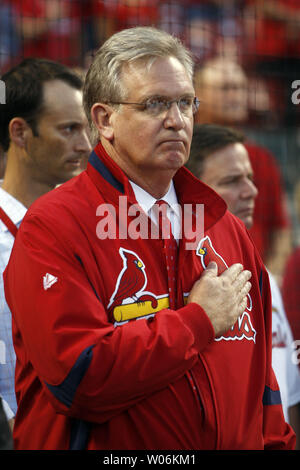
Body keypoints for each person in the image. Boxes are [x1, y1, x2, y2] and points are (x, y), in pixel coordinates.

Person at [3, 26, 295, 450]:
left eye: (184, 103)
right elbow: (79, 378)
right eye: (154, 104)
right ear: (104, 120)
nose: (176, 120)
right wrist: (198, 321)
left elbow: (264, 387)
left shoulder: (225, 227)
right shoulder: (53, 225)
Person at [187, 123, 300, 448]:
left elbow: (288, 394)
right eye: (232, 182)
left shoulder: (262, 276)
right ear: (194, 190)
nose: (251, 191)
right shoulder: (181, 282)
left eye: (249, 178)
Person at [0, 57, 91, 428]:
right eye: (69, 129)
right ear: (20, 133)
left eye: (86, 129)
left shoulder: (91, 226)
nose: (85, 145)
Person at [194, 56, 292, 285]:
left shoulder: (262, 158)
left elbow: (281, 229)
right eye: (226, 88)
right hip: (204, 280)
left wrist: (269, 278)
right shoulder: (180, 155)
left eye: (240, 88)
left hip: (255, 282)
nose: (235, 96)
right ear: (197, 94)